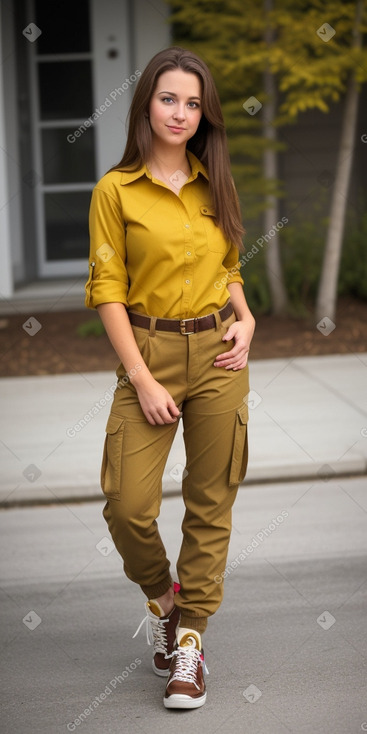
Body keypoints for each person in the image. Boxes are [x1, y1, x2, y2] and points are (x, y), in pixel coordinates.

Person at [85, 46, 255, 710]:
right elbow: (107, 289)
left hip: (219, 355)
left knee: (210, 502)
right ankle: (163, 597)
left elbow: (230, 266)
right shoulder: (114, 190)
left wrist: (245, 320)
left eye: (192, 102)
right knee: (127, 504)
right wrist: (141, 377)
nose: (180, 113)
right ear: (145, 105)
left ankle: (189, 644)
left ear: (203, 113)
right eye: (167, 99)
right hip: (148, 356)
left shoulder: (217, 182)